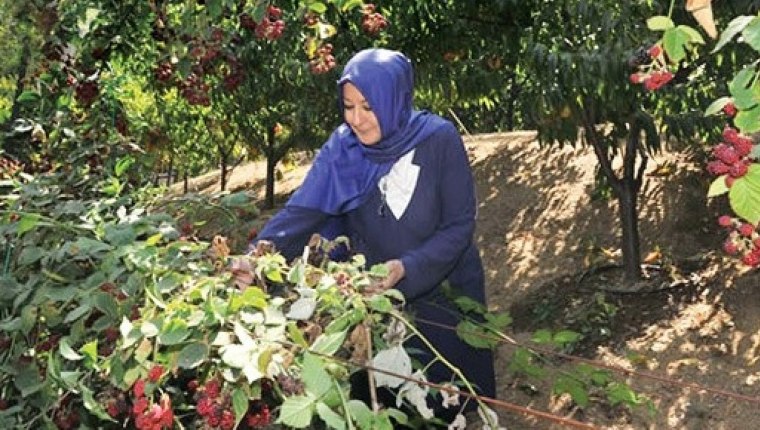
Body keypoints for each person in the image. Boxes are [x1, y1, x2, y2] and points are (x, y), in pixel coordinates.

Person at [251, 48, 495, 425]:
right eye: (348, 107)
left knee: (443, 400)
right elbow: (303, 212)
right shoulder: (343, 148)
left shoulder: (439, 140)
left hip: (441, 297)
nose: (358, 120)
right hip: (376, 304)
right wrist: (255, 257)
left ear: (394, 98)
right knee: (386, 402)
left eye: (368, 106)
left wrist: (406, 267)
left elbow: (459, 226)